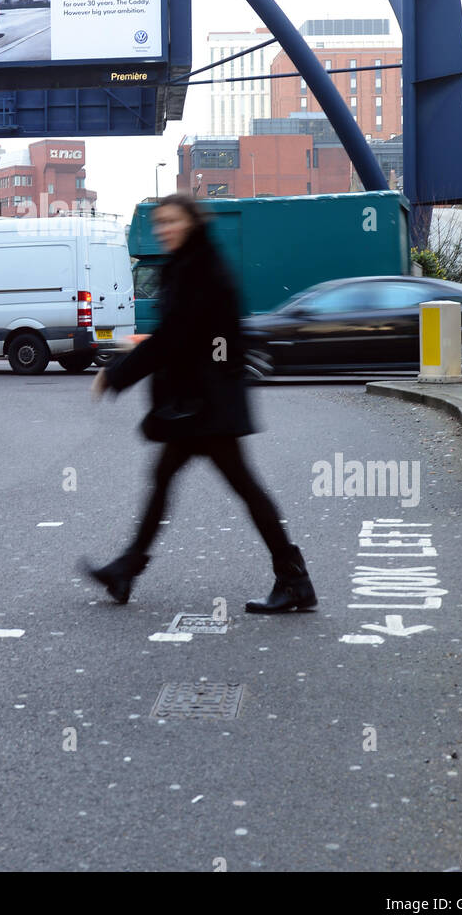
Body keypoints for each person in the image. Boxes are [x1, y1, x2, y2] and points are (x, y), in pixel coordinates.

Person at [82, 193, 315, 613]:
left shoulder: (201, 269)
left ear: (192, 222)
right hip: (201, 401)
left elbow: (179, 338)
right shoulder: (190, 264)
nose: (164, 230)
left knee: (240, 486)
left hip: (208, 404)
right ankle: (126, 569)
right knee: (174, 478)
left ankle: (294, 579)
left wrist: (116, 375)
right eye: (160, 224)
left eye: (172, 221)